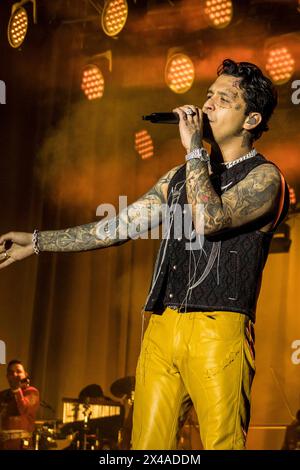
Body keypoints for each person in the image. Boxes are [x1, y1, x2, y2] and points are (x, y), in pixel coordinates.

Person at [0, 59, 290, 450]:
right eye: (209, 95)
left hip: (219, 328)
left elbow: (210, 219)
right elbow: (113, 228)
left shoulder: (265, 178)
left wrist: (193, 150)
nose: (208, 106)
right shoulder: (176, 179)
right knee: (147, 448)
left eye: (224, 99)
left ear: (251, 119)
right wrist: (36, 242)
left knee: (222, 443)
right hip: (162, 327)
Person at [0, 359, 40, 449]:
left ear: (25, 375)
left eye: (18, 371)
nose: (14, 375)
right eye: (11, 373)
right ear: (7, 377)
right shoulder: (3, 395)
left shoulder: (32, 392)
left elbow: (23, 409)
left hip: (21, 445)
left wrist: (16, 390)